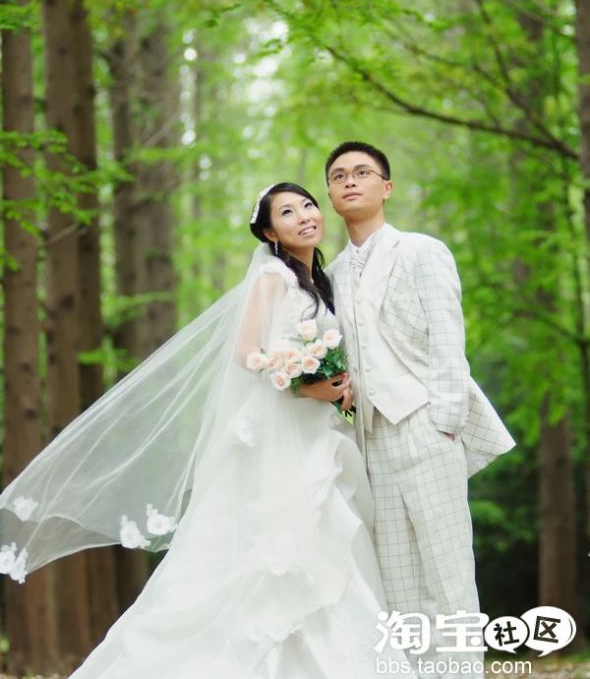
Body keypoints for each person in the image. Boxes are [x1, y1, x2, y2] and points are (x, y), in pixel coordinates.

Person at [0, 182, 414, 679]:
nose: (305, 215)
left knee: (326, 542)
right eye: (287, 212)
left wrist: (338, 388)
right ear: (270, 233)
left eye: (307, 205)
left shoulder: (317, 282)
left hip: (316, 434)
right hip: (280, 436)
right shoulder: (273, 277)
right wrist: (305, 385)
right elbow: (247, 351)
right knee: (270, 548)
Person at [325, 141, 516, 679]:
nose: (350, 181)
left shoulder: (421, 251)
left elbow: (448, 338)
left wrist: (445, 421)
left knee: (448, 570)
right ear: (331, 195)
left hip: (427, 425)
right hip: (370, 439)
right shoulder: (331, 275)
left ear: (386, 187)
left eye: (362, 172)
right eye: (338, 176)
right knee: (397, 578)